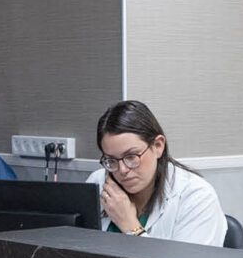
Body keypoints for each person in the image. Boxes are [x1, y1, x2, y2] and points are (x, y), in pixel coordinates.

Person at [89, 100, 227, 245]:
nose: (122, 169)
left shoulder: (196, 197)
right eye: (111, 160)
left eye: (131, 156)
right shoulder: (98, 182)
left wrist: (130, 226)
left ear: (158, 146)